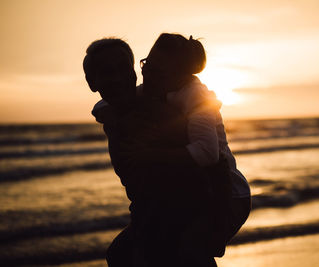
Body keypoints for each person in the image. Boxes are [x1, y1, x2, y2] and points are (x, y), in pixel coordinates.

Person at [83, 38, 217, 267]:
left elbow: (196, 181)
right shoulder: (116, 117)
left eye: (122, 68)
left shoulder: (160, 116)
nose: (117, 78)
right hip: (150, 224)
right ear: (91, 82)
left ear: (134, 73)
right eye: (106, 72)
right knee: (117, 255)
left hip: (174, 234)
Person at [139, 33, 251, 251]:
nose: (147, 75)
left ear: (181, 76)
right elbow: (112, 103)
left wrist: (150, 156)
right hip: (200, 192)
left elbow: (207, 151)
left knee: (187, 253)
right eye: (146, 65)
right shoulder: (158, 88)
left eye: (157, 72)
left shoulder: (196, 95)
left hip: (228, 195)